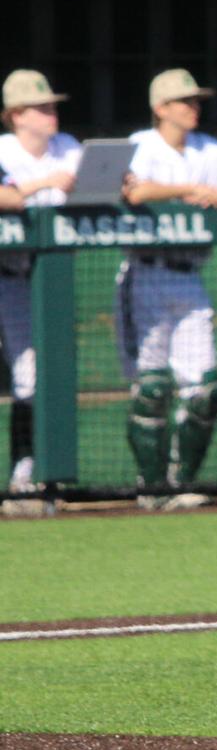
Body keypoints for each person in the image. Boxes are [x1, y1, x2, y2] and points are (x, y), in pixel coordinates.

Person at [117, 68, 217, 510]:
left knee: (207, 387)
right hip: (146, 272)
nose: (193, 107)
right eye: (185, 101)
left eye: (197, 101)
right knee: (152, 388)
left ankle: (179, 484)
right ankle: (151, 489)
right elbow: (137, 192)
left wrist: (215, 190)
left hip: (190, 276)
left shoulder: (209, 148)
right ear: (161, 108)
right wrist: (191, 189)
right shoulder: (140, 145)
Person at [0, 70, 81, 515]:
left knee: (41, 376)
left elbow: (108, 183)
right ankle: (24, 477)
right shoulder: (4, 151)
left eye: (53, 105)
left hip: (48, 280)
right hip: (7, 275)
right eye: (42, 106)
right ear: (15, 115)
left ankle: (30, 477)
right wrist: (43, 183)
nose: (52, 112)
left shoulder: (68, 146)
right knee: (29, 377)